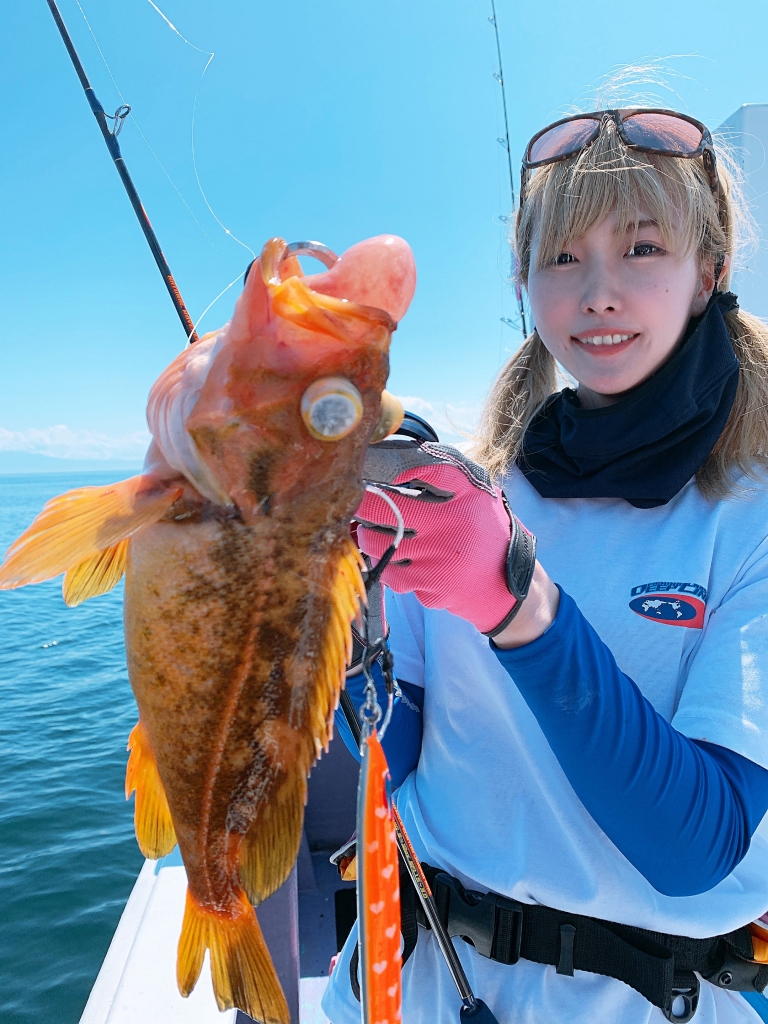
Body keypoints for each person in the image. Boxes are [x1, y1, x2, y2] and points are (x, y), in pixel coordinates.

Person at [323, 105, 768, 1024]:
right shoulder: (471, 489)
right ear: (526, 282)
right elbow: (398, 746)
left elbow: (697, 846)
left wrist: (517, 602)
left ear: (710, 272)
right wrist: (326, 614)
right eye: (561, 257)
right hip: (413, 978)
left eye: (642, 247)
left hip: (645, 1000)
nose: (596, 290)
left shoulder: (752, 512)